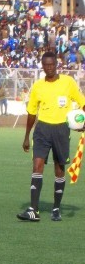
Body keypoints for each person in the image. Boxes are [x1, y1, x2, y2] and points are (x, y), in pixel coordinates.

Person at [17, 51, 85, 222]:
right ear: (42, 66)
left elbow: (82, 102)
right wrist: (27, 136)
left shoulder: (68, 83)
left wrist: (82, 123)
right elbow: (32, 112)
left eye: (52, 64)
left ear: (56, 65)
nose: (49, 68)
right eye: (46, 65)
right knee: (37, 165)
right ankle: (33, 210)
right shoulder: (38, 86)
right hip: (42, 130)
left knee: (59, 169)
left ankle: (56, 208)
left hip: (61, 129)